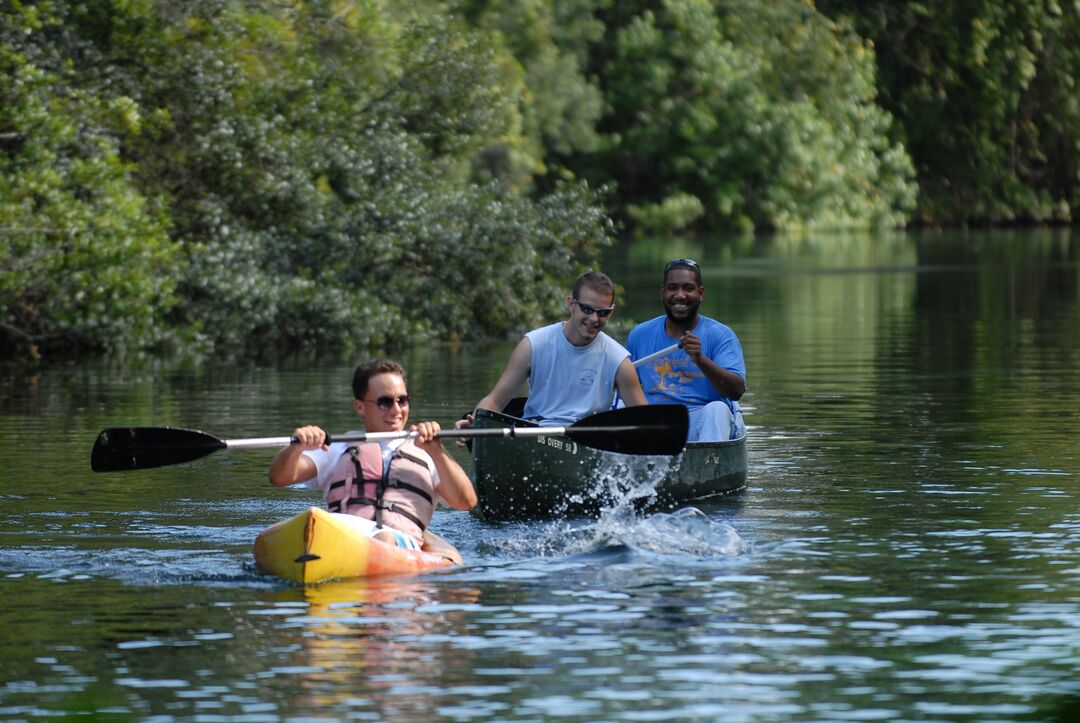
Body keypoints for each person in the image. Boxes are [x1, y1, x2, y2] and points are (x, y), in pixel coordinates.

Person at [268, 359, 477, 552]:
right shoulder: (339, 447)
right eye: (385, 402)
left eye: (402, 400)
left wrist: (437, 450)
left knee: (383, 538)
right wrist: (296, 447)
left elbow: (466, 501)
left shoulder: (428, 450)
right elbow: (280, 477)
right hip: (343, 533)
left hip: (398, 542)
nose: (396, 410)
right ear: (360, 407)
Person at [460, 270, 647, 428]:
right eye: (587, 310)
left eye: (603, 313)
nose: (594, 319)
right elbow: (495, 400)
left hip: (589, 440)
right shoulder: (533, 344)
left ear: (611, 313)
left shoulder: (620, 361)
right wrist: (476, 423)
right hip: (536, 433)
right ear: (571, 304)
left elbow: (645, 422)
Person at [627, 258, 746, 441]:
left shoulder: (721, 335)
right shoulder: (639, 335)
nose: (680, 295)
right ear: (663, 292)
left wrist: (700, 359)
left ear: (701, 293)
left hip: (701, 424)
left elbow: (736, 391)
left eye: (688, 288)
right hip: (655, 425)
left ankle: (706, 465)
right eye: (673, 288)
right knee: (619, 406)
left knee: (718, 410)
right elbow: (622, 389)